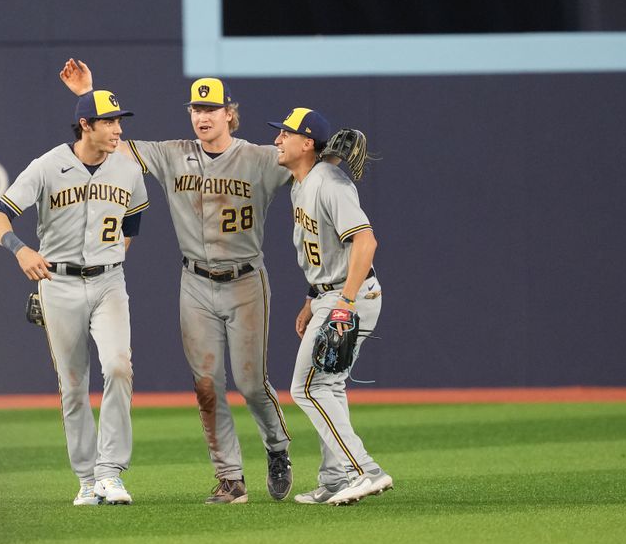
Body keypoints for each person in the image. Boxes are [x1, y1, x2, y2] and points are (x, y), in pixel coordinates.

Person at [59, 59, 293, 504]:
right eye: (196, 109)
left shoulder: (260, 158)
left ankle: (277, 447)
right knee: (207, 385)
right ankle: (231, 478)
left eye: (212, 109)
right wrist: (85, 95)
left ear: (230, 114)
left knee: (249, 382)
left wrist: (331, 153)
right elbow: (112, 143)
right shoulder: (172, 153)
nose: (203, 116)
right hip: (195, 283)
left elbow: (305, 160)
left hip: (245, 282)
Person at [0, 89, 149, 506]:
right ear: (86, 126)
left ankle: (111, 472)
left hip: (109, 282)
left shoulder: (128, 170)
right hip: (58, 284)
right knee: (74, 385)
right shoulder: (48, 165)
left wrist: (104, 262)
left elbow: (131, 230)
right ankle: (87, 479)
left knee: (118, 367)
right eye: (109, 122)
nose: (118, 129)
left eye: (119, 121)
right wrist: (20, 249)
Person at [267, 108, 393, 505]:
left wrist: (344, 305)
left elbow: (366, 242)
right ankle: (337, 480)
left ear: (306, 144)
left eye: (285, 134)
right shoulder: (302, 181)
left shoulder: (329, 184)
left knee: (307, 387)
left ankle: (364, 470)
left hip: (348, 295)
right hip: (328, 292)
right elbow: (323, 246)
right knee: (329, 386)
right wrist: (311, 298)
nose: (277, 140)